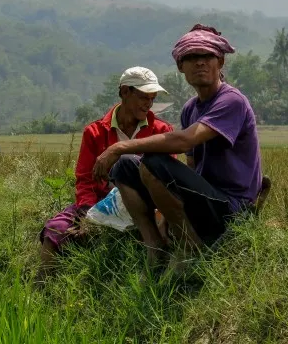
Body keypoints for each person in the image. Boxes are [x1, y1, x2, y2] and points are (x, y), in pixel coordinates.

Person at [92, 24, 264, 272]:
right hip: (205, 199)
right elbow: (192, 165)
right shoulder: (190, 108)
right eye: (191, 58)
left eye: (207, 56)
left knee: (152, 162)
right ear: (181, 67)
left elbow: (184, 141)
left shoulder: (231, 100)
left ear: (221, 62)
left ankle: (190, 249)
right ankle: (155, 247)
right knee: (126, 166)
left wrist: (119, 146)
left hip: (229, 206)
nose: (200, 63)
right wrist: (169, 213)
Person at [37, 66, 174, 280]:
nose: (148, 103)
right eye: (143, 97)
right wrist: (87, 213)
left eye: (152, 98)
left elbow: (166, 179)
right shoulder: (94, 132)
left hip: (145, 203)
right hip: (100, 201)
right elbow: (85, 180)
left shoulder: (161, 131)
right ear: (124, 92)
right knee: (56, 229)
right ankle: (37, 291)